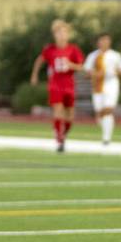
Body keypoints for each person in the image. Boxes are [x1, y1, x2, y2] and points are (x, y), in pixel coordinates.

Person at [30, 19, 85, 152]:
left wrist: (71, 65)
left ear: (68, 34)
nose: (61, 35)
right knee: (58, 110)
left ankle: (63, 135)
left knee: (70, 115)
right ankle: (59, 138)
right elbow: (39, 61)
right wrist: (34, 75)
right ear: (54, 35)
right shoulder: (50, 49)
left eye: (64, 32)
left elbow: (81, 66)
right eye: (58, 33)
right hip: (56, 83)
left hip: (69, 84)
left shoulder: (73, 49)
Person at [84, 33, 121, 146]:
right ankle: (106, 129)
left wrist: (111, 73)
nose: (104, 42)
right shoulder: (93, 56)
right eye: (102, 40)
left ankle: (106, 138)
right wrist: (95, 74)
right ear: (98, 42)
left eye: (107, 40)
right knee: (100, 112)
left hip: (111, 85)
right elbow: (87, 72)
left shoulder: (115, 55)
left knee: (108, 110)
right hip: (97, 87)